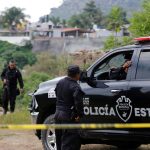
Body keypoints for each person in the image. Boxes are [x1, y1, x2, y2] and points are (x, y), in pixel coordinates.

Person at [55, 65, 84, 150]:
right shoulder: (75, 86)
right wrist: (79, 114)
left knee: (59, 142)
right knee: (69, 144)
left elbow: (57, 94)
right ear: (77, 74)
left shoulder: (60, 82)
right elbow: (78, 102)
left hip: (57, 115)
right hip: (68, 117)